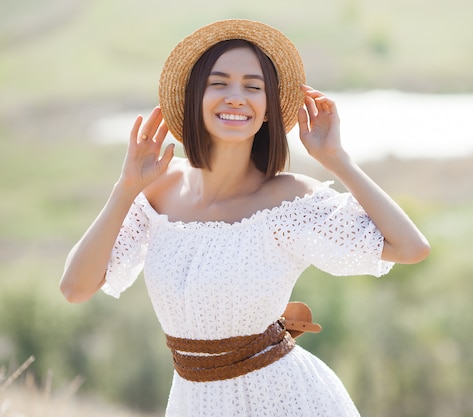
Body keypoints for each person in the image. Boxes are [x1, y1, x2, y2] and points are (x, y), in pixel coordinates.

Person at [60, 19, 430, 417]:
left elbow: (410, 247)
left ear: (268, 109)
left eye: (253, 87)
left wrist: (337, 160)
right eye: (219, 83)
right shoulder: (158, 189)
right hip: (193, 402)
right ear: (194, 98)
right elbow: (75, 288)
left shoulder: (289, 200)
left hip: (286, 400)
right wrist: (125, 188)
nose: (236, 97)